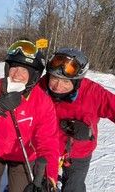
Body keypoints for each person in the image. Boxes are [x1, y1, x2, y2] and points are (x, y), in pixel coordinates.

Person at [0, 40, 60, 192]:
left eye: (25, 70)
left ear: (34, 76)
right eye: (14, 67)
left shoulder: (42, 102)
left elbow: (48, 142)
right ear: (7, 69)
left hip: (23, 156)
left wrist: (48, 178)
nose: (17, 74)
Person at [39, 48, 115, 192]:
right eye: (54, 79)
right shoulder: (40, 88)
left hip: (79, 151)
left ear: (77, 82)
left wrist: (88, 131)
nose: (58, 87)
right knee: (44, 185)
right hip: (47, 148)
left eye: (66, 81)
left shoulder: (93, 93)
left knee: (74, 187)